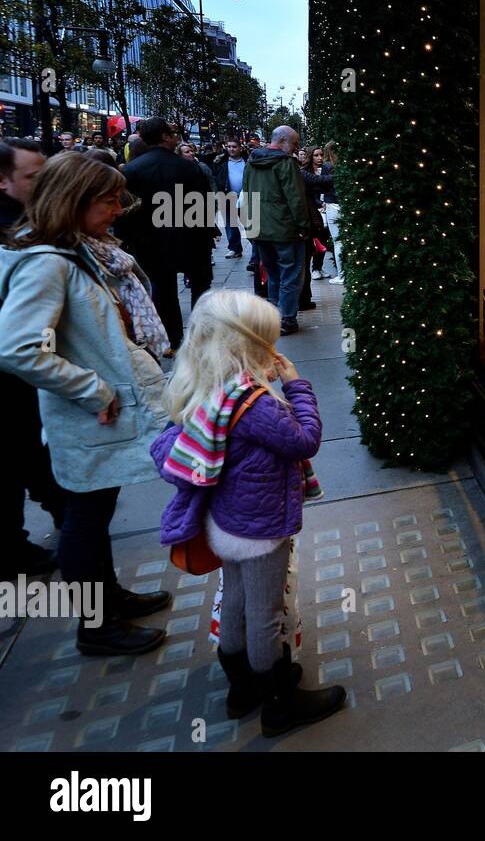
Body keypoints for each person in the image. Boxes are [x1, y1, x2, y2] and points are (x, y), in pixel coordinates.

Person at [151, 289, 346, 736]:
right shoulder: (251, 402)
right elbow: (303, 440)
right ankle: (279, 702)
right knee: (266, 614)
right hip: (259, 530)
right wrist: (296, 385)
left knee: (236, 600)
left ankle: (241, 688)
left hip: (223, 524)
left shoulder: (202, 387)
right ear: (249, 344)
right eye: (269, 338)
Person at [0, 152, 172, 655]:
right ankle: (98, 627)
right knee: (85, 518)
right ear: (74, 201)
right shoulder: (49, 263)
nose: (119, 209)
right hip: (92, 414)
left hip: (105, 414)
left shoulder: (80, 250)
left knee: (93, 513)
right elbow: (17, 347)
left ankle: (109, 601)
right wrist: (93, 390)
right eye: (109, 200)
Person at [0, 138, 62, 582]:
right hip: (13, 374)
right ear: (2, 181)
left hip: (23, 376)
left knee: (25, 451)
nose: (43, 184)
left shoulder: (28, 223)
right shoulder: (17, 238)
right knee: (17, 452)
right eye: (32, 177)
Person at [116, 117, 219, 350]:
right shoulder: (189, 167)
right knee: (200, 287)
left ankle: (173, 340)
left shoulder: (132, 170)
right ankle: (199, 337)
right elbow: (203, 204)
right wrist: (208, 231)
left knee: (163, 290)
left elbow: (124, 208)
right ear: (164, 137)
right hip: (191, 237)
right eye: (173, 133)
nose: (176, 137)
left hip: (149, 240)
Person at [244, 125, 311, 335]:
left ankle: (274, 315)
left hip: (261, 229)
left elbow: (245, 194)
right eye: (294, 143)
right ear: (283, 141)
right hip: (284, 229)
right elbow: (295, 198)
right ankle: (287, 319)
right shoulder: (286, 163)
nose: (296, 148)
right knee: (291, 274)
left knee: (272, 273)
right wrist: (304, 226)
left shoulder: (252, 162)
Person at [212, 138, 249, 260]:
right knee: (230, 224)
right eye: (229, 146)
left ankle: (256, 246)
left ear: (240, 148)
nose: (231, 149)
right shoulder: (221, 163)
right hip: (227, 197)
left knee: (248, 223)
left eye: (234, 146)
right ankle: (235, 248)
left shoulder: (248, 161)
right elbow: (216, 179)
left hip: (245, 198)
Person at [302, 146, 335, 282]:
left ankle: (319, 266)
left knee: (323, 239)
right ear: (311, 157)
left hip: (328, 207)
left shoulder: (326, 169)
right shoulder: (306, 172)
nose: (319, 158)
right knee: (316, 238)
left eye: (321, 155)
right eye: (316, 155)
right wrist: (319, 204)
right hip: (315, 209)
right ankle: (314, 268)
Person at [322, 142, 344, 285]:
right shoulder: (344, 165)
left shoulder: (327, 166)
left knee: (338, 241)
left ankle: (341, 275)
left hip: (332, 205)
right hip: (344, 203)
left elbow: (322, 185)